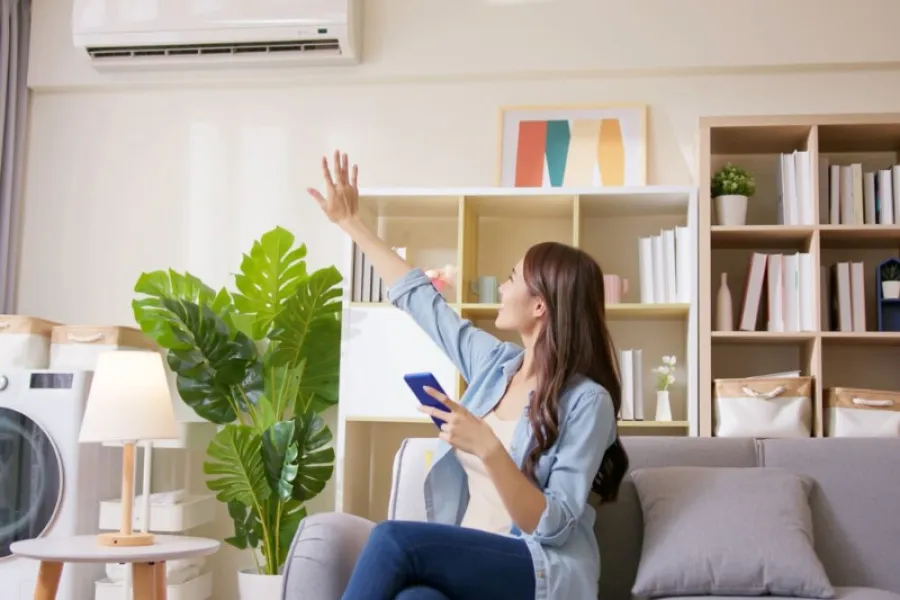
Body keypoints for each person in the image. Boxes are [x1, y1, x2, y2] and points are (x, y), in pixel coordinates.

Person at [306, 151, 629, 600]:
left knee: (392, 538)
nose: (501, 285)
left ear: (540, 306)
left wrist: (488, 446)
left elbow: (552, 525)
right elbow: (423, 302)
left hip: (536, 569)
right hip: (472, 564)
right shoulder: (495, 365)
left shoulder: (588, 402)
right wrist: (351, 222)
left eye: (513, 277)